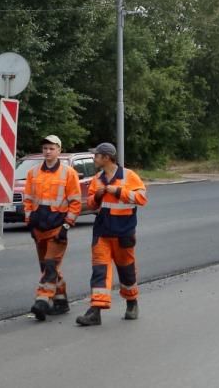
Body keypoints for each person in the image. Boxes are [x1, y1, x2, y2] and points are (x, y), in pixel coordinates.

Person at [75, 142, 148, 327]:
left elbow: (141, 198)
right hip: (102, 233)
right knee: (99, 272)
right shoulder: (97, 179)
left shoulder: (129, 176)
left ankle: (132, 303)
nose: (94, 158)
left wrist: (118, 191)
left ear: (106, 158)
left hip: (123, 233)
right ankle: (95, 311)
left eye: (97, 155)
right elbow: (91, 204)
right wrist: (97, 196)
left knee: (127, 272)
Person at [23, 134, 82, 321]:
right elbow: (28, 201)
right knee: (48, 267)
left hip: (57, 227)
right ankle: (61, 302)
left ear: (59, 150)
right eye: (45, 148)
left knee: (50, 265)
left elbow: (75, 203)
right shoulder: (33, 173)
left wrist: (66, 226)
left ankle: (41, 300)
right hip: (39, 228)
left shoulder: (68, 173)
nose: (47, 151)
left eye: (51, 148)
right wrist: (30, 223)